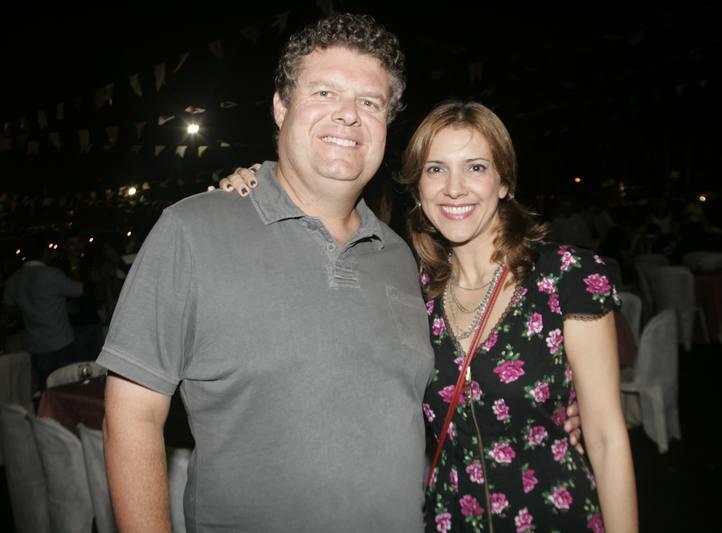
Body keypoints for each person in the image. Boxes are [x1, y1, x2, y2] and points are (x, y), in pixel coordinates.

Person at [222, 102, 637, 531]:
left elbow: (607, 439)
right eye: (436, 169)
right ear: (418, 188)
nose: (454, 189)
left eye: (476, 167)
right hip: (450, 519)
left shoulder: (565, 276)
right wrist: (261, 188)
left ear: (503, 183)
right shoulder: (409, 290)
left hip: (557, 516)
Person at [99, 14, 434, 532]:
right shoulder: (193, 230)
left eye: (370, 103)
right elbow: (131, 416)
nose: (348, 115)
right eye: (324, 92)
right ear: (281, 106)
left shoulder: (398, 255)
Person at [3, 235, 84, 388]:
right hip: (61, 341)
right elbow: (79, 290)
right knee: (71, 387)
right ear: (44, 253)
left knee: (48, 389)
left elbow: (8, 308)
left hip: (37, 345)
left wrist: (30, 309)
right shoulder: (51, 274)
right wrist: (74, 268)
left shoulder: (14, 279)